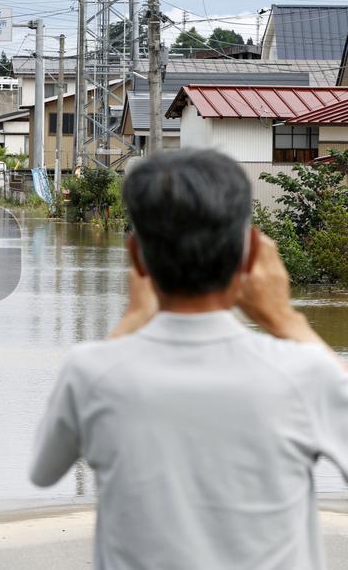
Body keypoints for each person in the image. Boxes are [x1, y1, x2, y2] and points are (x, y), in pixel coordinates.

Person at [29, 149, 346, 569]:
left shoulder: (90, 373)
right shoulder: (303, 372)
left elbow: (43, 471)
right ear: (251, 252)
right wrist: (287, 320)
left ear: (137, 256)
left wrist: (129, 321)